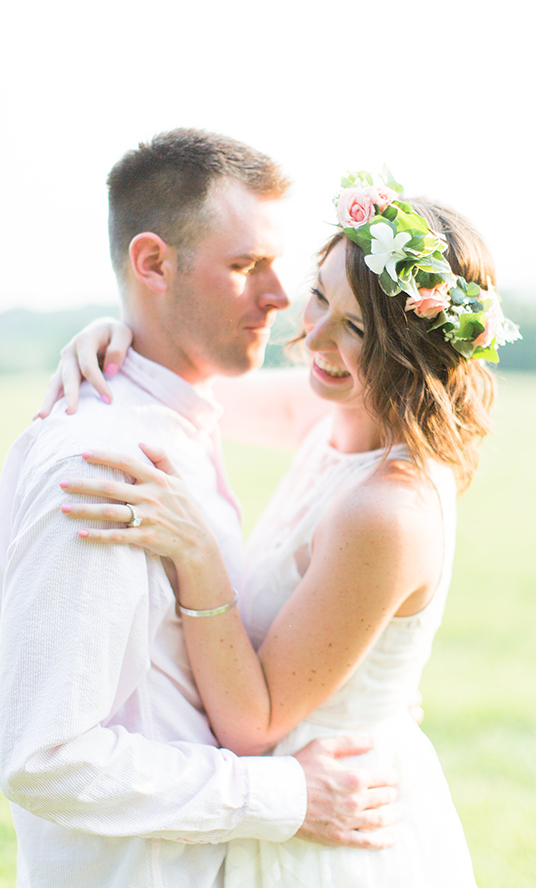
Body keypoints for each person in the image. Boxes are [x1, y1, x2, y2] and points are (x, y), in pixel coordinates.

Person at [45, 173, 521, 886]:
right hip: (277, 808)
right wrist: (114, 337)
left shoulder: (385, 509)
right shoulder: (331, 411)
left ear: (412, 351)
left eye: (356, 329)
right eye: (321, 295)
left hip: (332, 822)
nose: (315, 335)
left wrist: (196, 550)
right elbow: (196, 387)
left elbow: (253, 721)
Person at [0, 132, 400, 888]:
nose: (280, 297)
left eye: (279, 267)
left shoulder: (181, 420)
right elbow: (45, 759)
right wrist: (285, 796)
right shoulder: (105, 467)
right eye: (246, 266)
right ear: (153, 263)